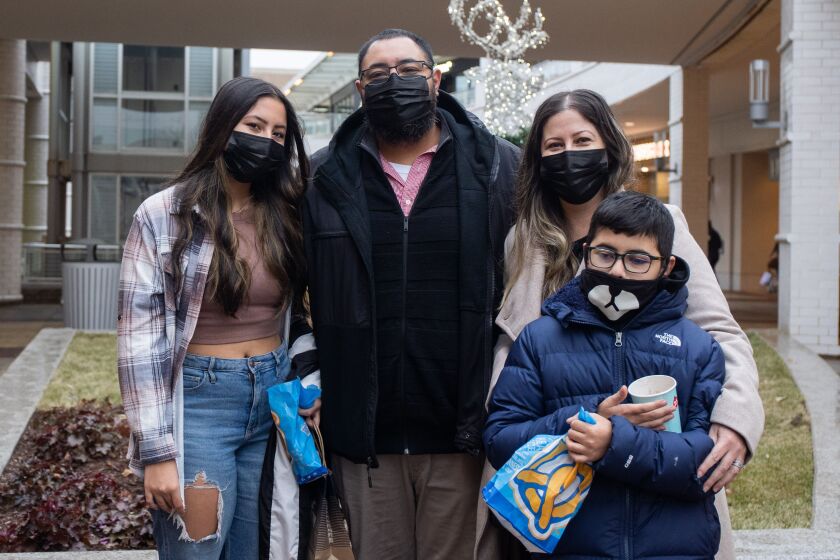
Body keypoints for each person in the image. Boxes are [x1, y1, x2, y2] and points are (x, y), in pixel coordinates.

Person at [477, 90, 764, 560]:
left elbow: (720, 333)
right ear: (537, 159)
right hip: (556, 471)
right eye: (554, 146)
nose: (570, 155)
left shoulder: (663, 225)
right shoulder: (525, 241)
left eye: (583, 139)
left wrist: (735, 420)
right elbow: (515, 356)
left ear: (609, 146)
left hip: (658, 471)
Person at [302, 28, 520, 559]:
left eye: (408, 70)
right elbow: (290, 292)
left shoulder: (500, 168)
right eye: (378, 75)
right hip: (364, 440)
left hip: (462, 435)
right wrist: (307, 371)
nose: (393, 82)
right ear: (360, 89)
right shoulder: (321, 177)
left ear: (436, 79)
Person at [117, 77, 318, 559]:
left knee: (259, 550)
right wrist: (158, 454)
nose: (265, 140)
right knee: (198, 550)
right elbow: (138, 342)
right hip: (199, 407)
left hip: (272, 403)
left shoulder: (288, 213)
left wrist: (308, 380)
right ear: (221, 128)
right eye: (254, 125)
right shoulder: (166, 213)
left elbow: (309, 311)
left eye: (277, 134)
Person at [485, 191, 725, 558]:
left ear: (666, 266)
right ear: (585, 251)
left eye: (638, 260)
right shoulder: (540, 338)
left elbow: (704, 465)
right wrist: (584, 421)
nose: (617, 271)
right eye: (605, 254)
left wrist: (614, 444)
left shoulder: (697, 348)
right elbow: (500, 442)